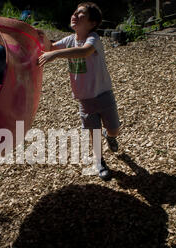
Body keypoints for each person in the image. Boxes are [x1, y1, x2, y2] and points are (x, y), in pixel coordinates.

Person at [37, 2, 121, 181]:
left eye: (81, 14)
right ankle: (100, 162)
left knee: (114, 130)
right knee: (93, 132)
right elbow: (49, 48)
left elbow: (84, 52)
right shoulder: (69, 40)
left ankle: (110, 136)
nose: (75, 14)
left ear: (92, 23)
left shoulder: (93, 39)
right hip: (85, 99)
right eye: (75, 12)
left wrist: (56, 55)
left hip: (104, 94)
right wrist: (42, 37)